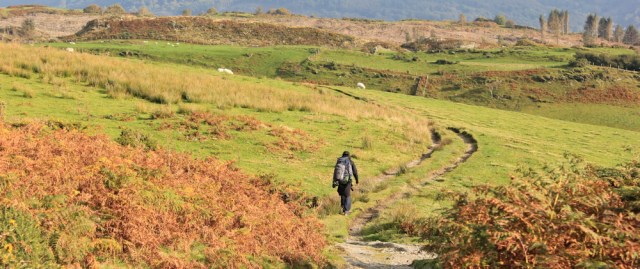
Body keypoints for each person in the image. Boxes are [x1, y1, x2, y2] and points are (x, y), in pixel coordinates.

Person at [334, 151, 359, 215]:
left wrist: (335, 181)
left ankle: (343, 208)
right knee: (347, 195)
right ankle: (346, 211)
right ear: (349, 155)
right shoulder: (350, 162)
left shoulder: (339, 161)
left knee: (342, 194)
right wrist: (357, 180)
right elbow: (355, 172)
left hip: (340, 180)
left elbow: (336, 172)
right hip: (348, 181)